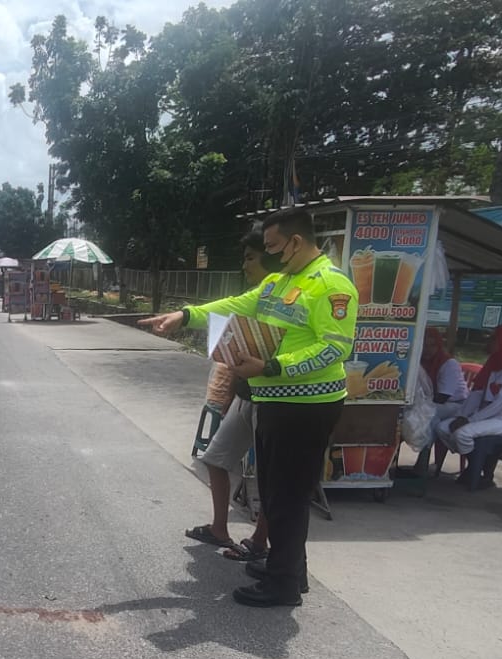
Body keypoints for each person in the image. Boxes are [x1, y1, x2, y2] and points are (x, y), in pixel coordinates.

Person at [141, 208, 358, 607]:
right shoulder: (280, 282)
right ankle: (289, 568)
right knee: (276, 493)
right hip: (274, 401)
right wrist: (186, 315)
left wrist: (274, 366)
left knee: (288, 496)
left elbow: (335, 346)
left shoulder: (330, 285)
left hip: (308, 406)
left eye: (275, 247)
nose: (271, 255)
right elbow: (237, 305)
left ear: (296, 241)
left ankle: (283, 586)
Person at [178, 229, 271, 562]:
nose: (245, 265)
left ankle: (259, 542)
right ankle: (220, 528)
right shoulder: (258, 295)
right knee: (216, 458)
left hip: (275, 398)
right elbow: (226, 310)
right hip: (246, 393)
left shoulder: (286, 299)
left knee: (268, 477)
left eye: (251, 257)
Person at [434, 324, 502, 488]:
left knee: (463, 434)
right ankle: (477, 464)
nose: (489, 342)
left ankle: (477, 471)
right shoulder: (496, 362)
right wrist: (462, 415)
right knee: (442, 428)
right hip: (485, 413)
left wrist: (470, 420)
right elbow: (477, 393)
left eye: (494, 339)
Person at [419, 328, 469, 475]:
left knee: (427, 415)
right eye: (424, 346)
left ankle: (423, 461)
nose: (427, 350)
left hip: (456, 404)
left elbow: (442, 397)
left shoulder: (448, 364)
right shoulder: (421, 361)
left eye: (431, 346)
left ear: (438, 346)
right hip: (434, 401)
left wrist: (419, 403)